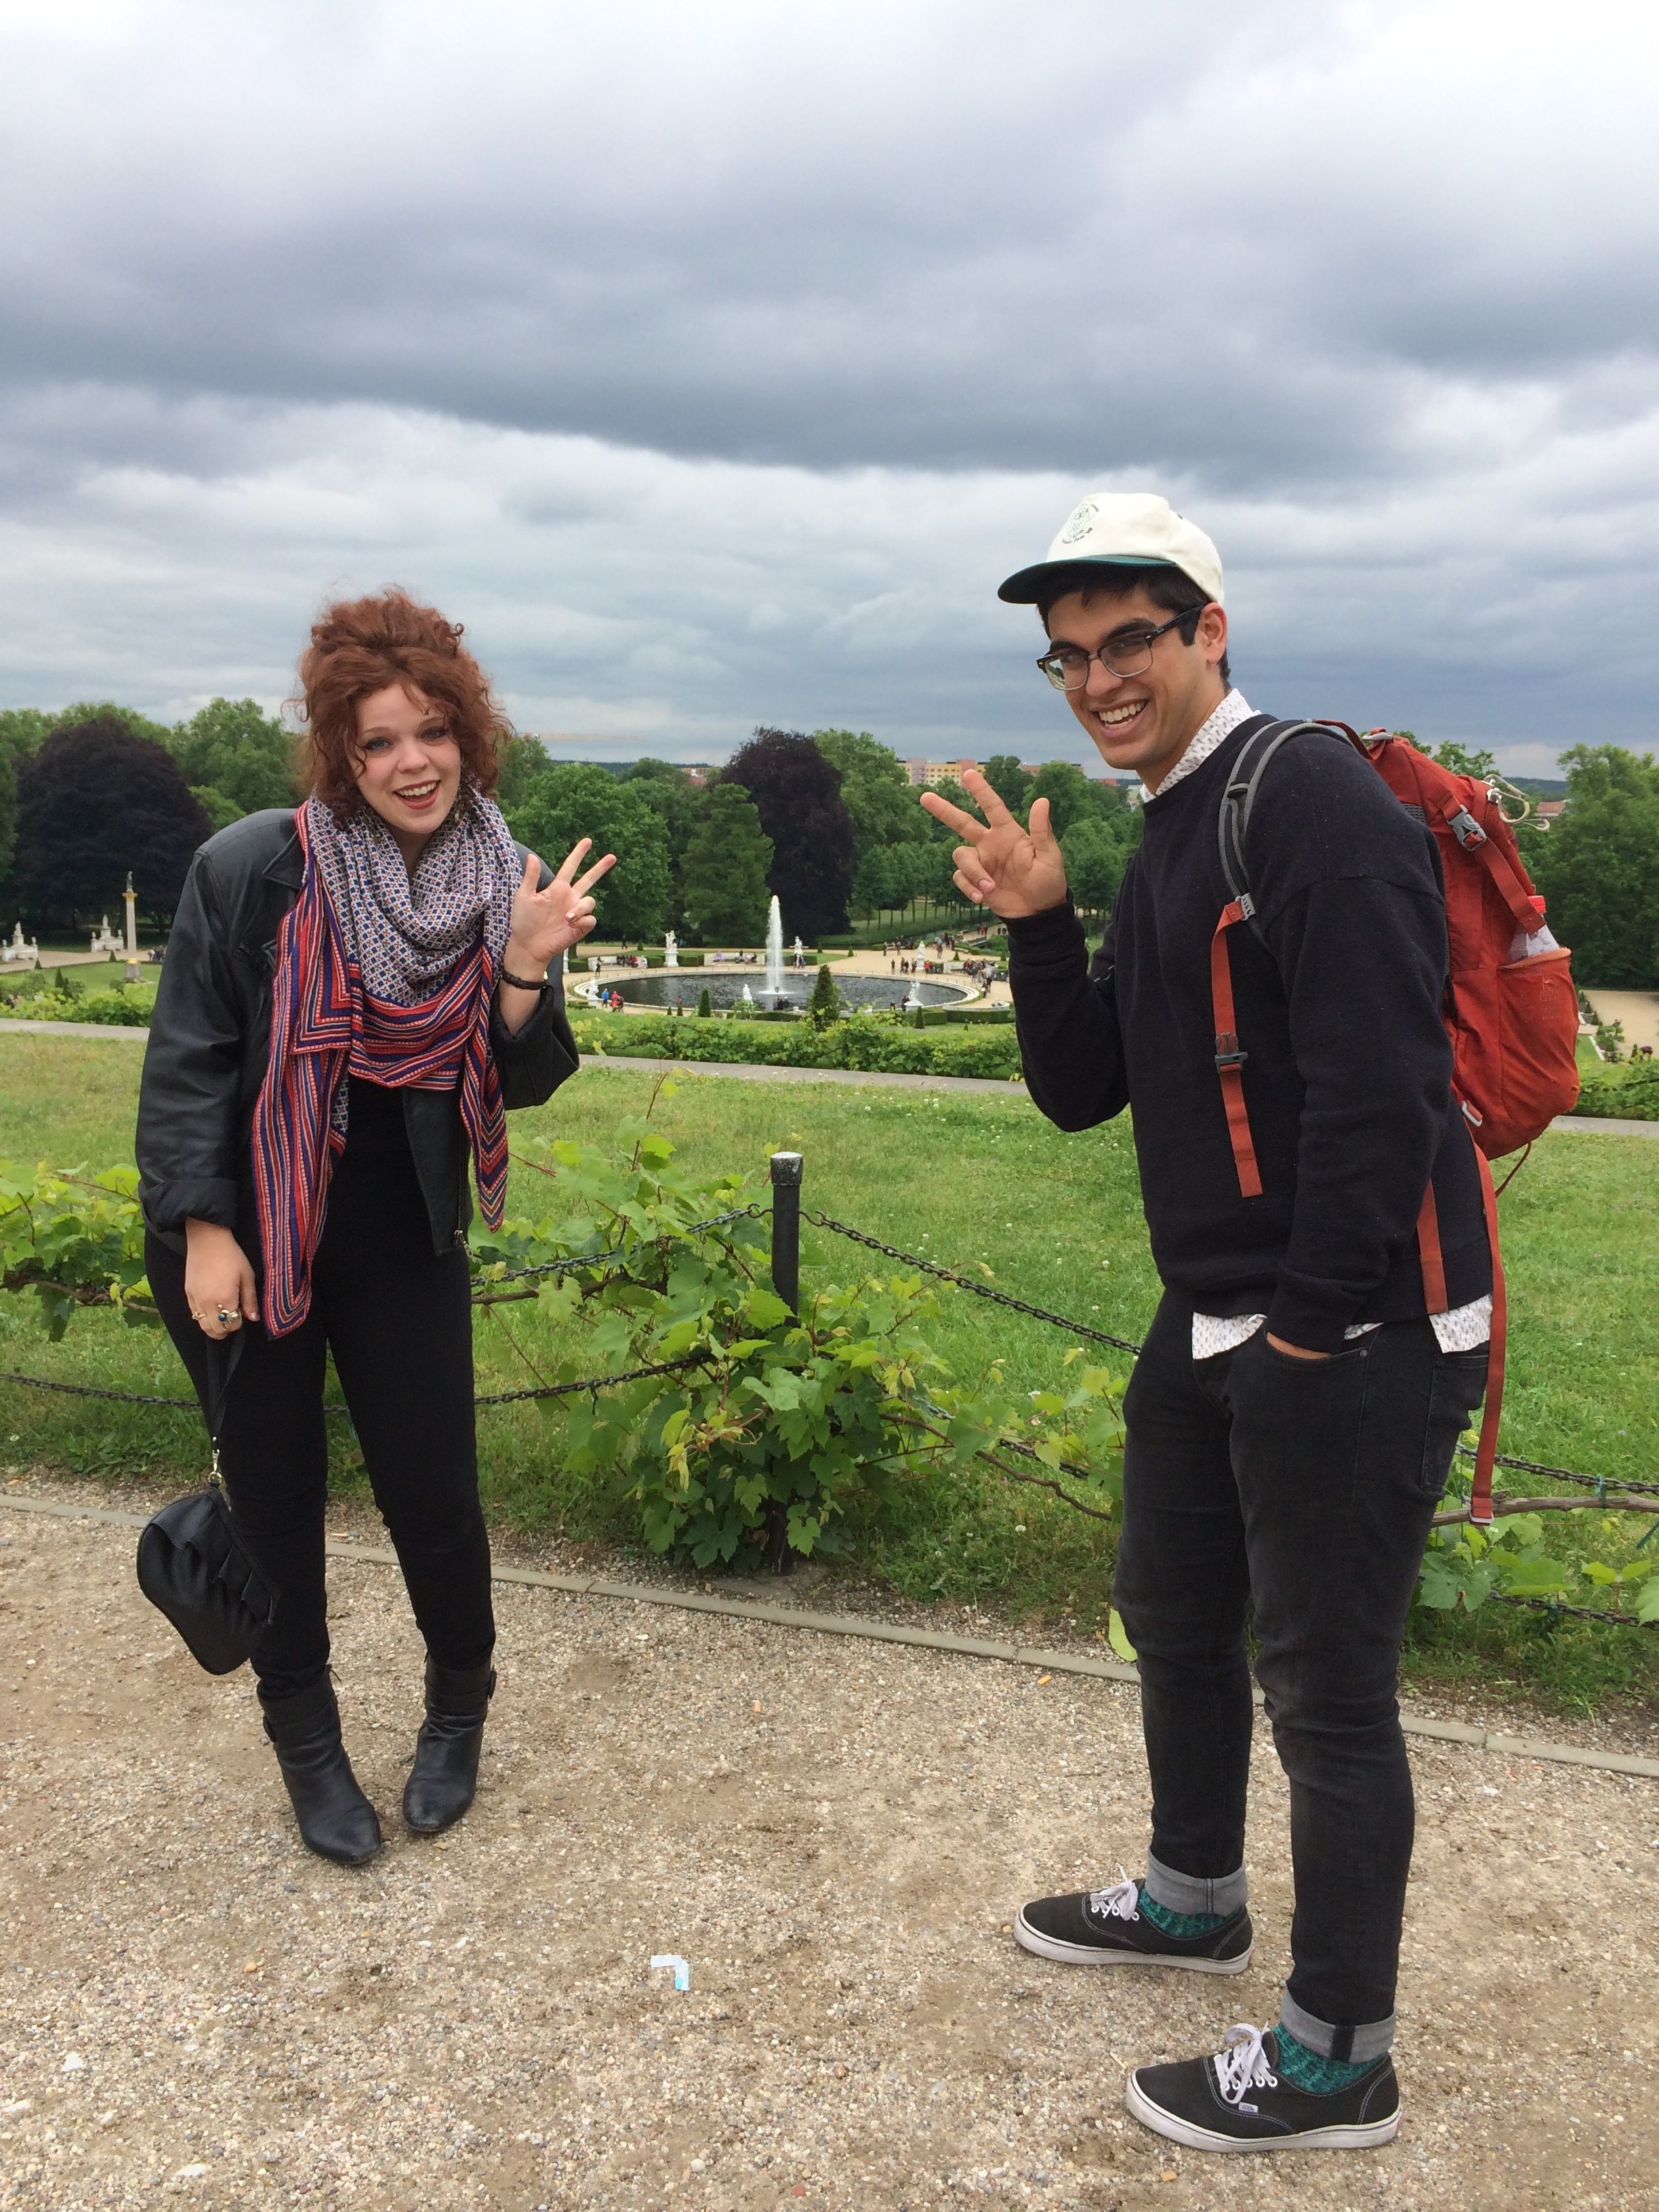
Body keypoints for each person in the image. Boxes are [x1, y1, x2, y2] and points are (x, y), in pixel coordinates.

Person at [922, 493, 1490, 2155]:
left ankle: (1339, 2058)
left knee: (1326, 1687)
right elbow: (1083, 1087)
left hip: (1359, 1318)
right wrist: (1040, 921)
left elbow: (1388, 1092)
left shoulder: (1301, 796)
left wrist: (1307, 1336)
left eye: (1130, 642)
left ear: (1209, 631)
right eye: (1068, 656)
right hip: (1229, 1307)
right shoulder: (1177, 820)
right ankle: (1193, 1896)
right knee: (1174, 1608)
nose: (1098, 679)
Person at [137, 590, 614, 1868]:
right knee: (275, 1498)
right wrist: (204, 1227)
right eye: (379, 740)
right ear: (340, 756)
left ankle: (459, 1708)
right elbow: (187, 1063)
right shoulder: (255, 868)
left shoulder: (504, 878)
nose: (412, 763)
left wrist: (524, 966)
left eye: (432, 732)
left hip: (402, 1219)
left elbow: (521, 1076)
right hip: (251, 1227)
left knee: (432, 1489)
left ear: (470, 736)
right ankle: (307, 1743)